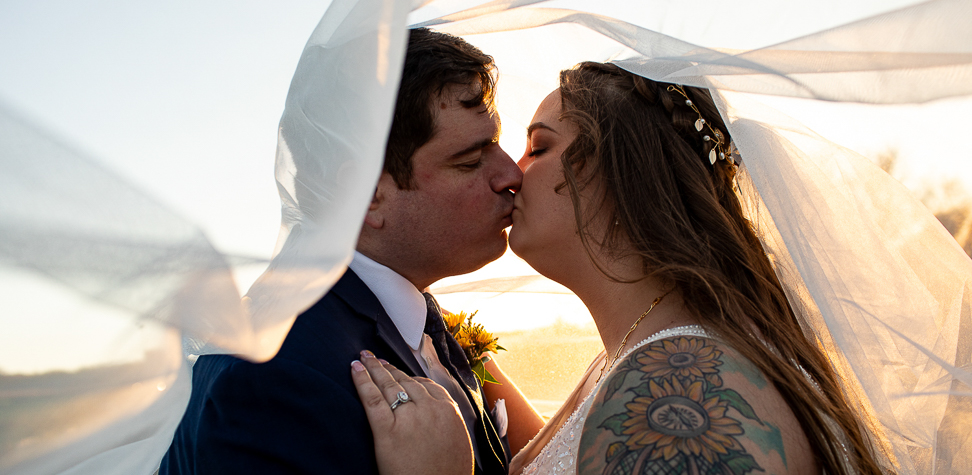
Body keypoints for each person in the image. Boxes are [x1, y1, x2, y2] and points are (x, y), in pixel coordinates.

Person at [352, 62, 891, 475]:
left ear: (615, 174)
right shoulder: (630, 357)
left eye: (538, 147)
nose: (512, 174)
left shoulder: (677, 393)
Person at [160, 27, 543, 475]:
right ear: (365, 195)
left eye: (496, 143)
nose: (510, 174)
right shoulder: (271, 380)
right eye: (470, 160)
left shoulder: (416, 322)